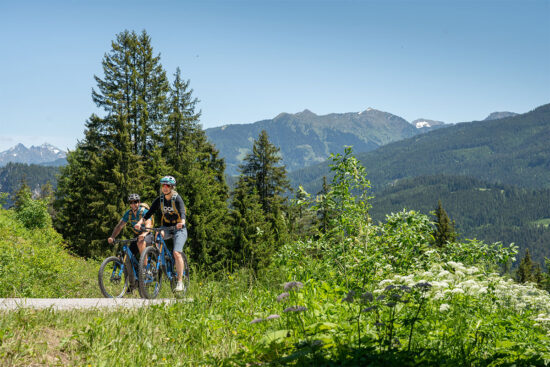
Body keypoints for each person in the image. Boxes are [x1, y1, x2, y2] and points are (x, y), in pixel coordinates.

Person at [135, 176, 188, 292]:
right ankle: (160, 257)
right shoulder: (160, 200)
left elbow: (182, 212)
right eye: (163, 185)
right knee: (158, 233)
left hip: (179, 228)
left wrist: (182, 222)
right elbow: (149, 213)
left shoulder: (177, 198)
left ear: (172, 187)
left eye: (167, 185)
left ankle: (180, 282)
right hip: (167, 227)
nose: (164, 188)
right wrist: (140, 222)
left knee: (177, 253)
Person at [108, 193, 153, 289]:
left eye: (135, 202)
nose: (133, 204)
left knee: (140, 242)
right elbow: (120, 226)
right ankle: (133, 284)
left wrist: (144, 234)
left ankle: (145, 269)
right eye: (131, 202)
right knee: (127, 257)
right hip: (137, 236)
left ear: (139, 202)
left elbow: (149, 224)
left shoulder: (144, 212)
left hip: (148, 234)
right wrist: (112, 237)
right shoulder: (128, 213)